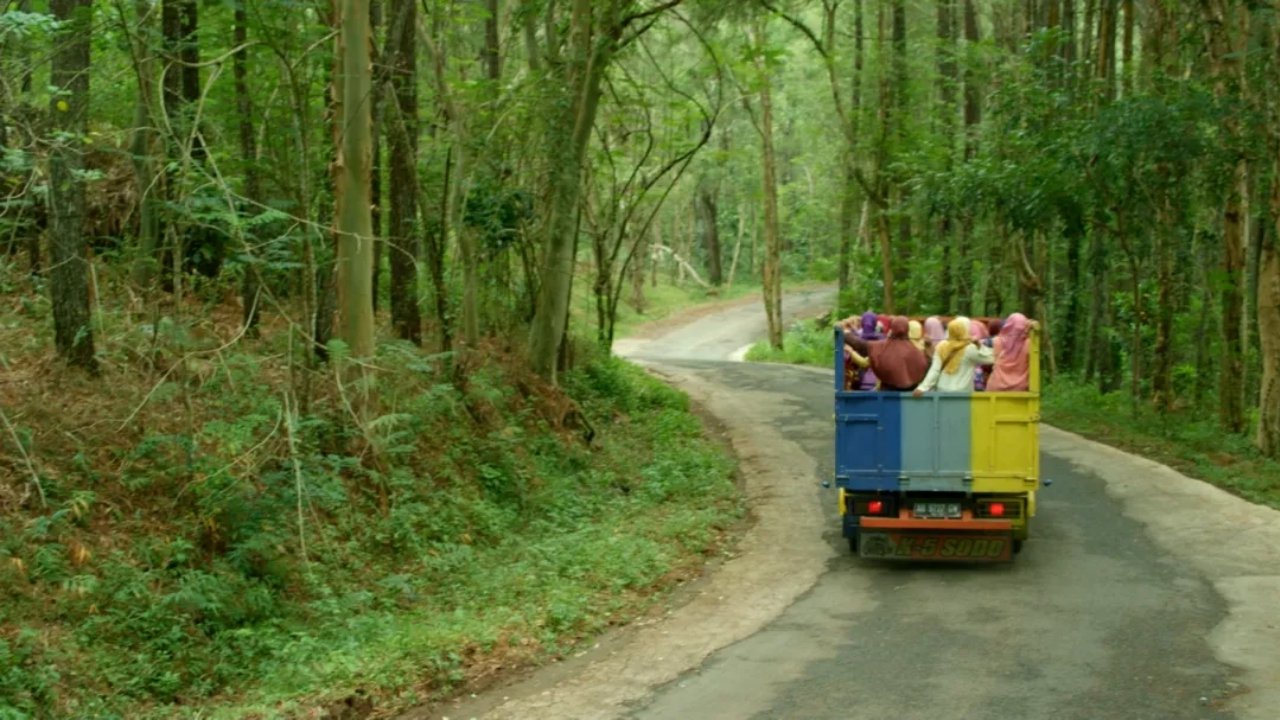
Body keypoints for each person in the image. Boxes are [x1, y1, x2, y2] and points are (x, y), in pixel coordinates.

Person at [913, 316, 995, 395]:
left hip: (942, 390)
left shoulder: (941, 346)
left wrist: (923, 387)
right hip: (963, 392)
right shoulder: (970, 348)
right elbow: (991, 359)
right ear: (965, 330)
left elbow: (935, 370)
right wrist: (980, 346)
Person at [868, 317, 929, 391]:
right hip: (912, 392)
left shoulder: (886, 346)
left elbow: (866, 360)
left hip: (887, 391)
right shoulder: (921, 348)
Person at [987, 312, 1033, 391]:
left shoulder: (997, 341)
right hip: (1020, 389)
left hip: (996, 387)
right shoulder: (1029, 344)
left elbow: (976, 343)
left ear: (1008, 325)